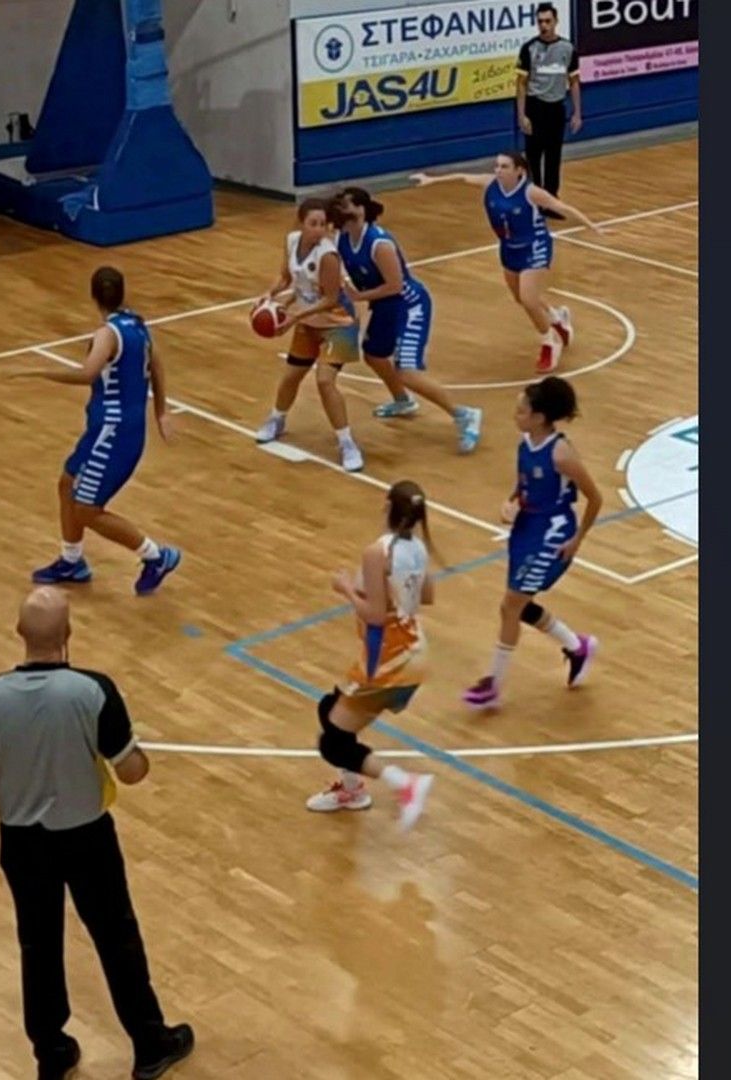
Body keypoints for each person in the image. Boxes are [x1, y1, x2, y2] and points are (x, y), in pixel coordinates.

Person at [0, 587, 197, 1080]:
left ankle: (51, 1051)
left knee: (37, 943)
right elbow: (131, 771)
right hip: (88, 837)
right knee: (116, 936)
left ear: (19, 631)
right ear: (68, 633)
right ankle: (150, 1044)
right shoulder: (93, 691)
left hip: (22, 841)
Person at [22, 266, 184, 595]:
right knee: (67, 482)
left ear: (93, 296)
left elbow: (87, 373)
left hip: (113, 432)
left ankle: (156, 556)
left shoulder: (108, 334)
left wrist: (40, 373)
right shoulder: (138, 326)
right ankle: (72, 560)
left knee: (87, 509)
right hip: (113, 429)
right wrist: (161, 411)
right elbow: (157, 365)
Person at [304, 480, 439, 828]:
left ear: (387, 506)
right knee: (328, 708)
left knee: (333, 744)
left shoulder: (378, 552)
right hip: (411, 648)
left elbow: (376, 615)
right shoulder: (418, 548)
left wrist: (347, 589)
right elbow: (427, 596)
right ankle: (353, 790)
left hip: (391, 658)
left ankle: (405, 784)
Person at [462, 377, 602, 709]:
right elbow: (523, 483)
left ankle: (493, 684)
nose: (515, 415)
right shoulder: (525, 442)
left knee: (511, 606)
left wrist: (577, 539)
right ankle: (576, 646)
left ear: (539, 417)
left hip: (552, 533)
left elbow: (595, 498)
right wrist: (510, 502)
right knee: (519, 606)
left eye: (521, 411)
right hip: (527, 526)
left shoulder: (561, 453)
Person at [409, 151, 606, 373]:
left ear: (519, 170)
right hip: (508, 248)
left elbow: (562, 208)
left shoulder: (530, 192)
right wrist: (432, 180)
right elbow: (462, 177)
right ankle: (556, 317)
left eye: (504, 166)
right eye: (497, 166)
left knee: (528, 299)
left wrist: (592, 225)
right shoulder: (490, 184)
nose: (498, 170)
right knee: (520, 298)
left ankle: (550, 342)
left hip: (535, 246)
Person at [330, 187, 485, 453]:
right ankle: (403, 400)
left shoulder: (380, 244)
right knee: (374, 355)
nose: (342, 210)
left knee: (407, 371)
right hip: (384, 305)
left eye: (346, 205)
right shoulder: (342, 238)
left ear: (362, 210)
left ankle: (464, 414)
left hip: (409, 305)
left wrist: (359, 296)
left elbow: (395, 285)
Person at [253, 197, 366, 472]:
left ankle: (347, 443)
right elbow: (287, 279)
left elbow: (330, 298)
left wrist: (294, 317)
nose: (318, 230)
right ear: (300, 223)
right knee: (291, 375)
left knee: (325, 381)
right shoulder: (292, 241)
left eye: (323, 225)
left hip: (339, 323)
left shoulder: (327, 255)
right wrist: (270, 295)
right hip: (309, 320)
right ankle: (277, 418)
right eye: (313, 224)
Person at [516, 3, 581, 213]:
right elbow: (521, 84)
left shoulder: (567, 49)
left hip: (556, 109)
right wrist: (522, 115)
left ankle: (551, 202)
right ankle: (534, 201)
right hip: (535, 107)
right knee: (533, 158)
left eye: (547, 21)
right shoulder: (529, 48)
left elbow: (574, 82)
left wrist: (577, 113)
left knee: (554, 157)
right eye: (540, 22)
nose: (544, 25)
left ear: (556, 22)